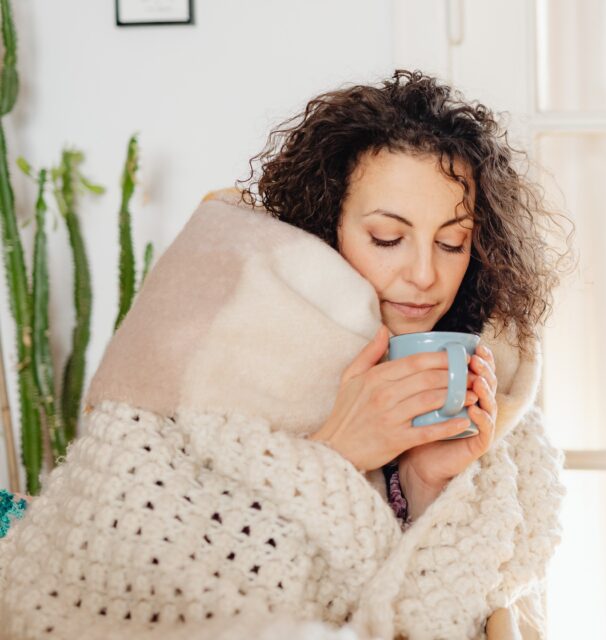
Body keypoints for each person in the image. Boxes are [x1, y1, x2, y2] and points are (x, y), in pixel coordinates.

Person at [0, 70, 573, 640]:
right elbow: (140, 559)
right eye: (387, 239)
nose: (425, 276)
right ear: (327, 227)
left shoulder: (490, 384)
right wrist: (336, 452)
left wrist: (429, 484)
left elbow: (486, 604)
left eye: (452, 243)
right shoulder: (221, 339)